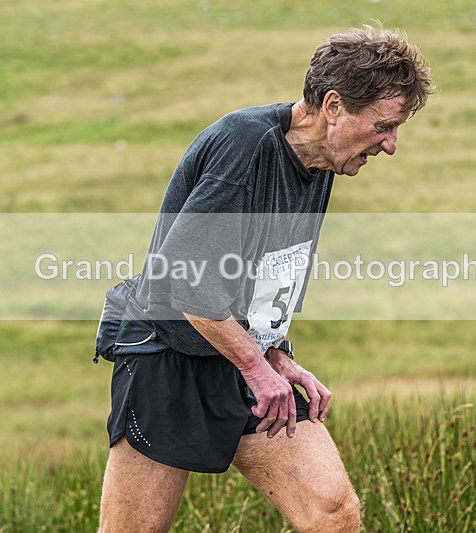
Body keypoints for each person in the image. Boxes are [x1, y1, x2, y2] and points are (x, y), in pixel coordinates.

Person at [97, 24, 434, 532]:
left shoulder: (323, 160)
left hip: (241, 354)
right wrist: (258, 368)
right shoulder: (244, 147)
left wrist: (277, 354)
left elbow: (255, 278)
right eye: (384, 125)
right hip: (167, 358)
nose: (390, 145)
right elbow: (186, 282)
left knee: (332, 513)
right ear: (335, 106)